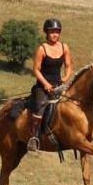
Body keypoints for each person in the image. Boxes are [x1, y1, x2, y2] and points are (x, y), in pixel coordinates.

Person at [26, 18, 71, 152]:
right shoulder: (42, 49)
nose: (55, 34)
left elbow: (68, 66)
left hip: (58, 84)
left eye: (57, 31)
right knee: (40, 106)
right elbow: (36, 70)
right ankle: (33, 138)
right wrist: (45, 84)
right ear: (46, 32)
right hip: (43, 86)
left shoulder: (64, 47)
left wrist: (65, 77)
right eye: (52, 32)